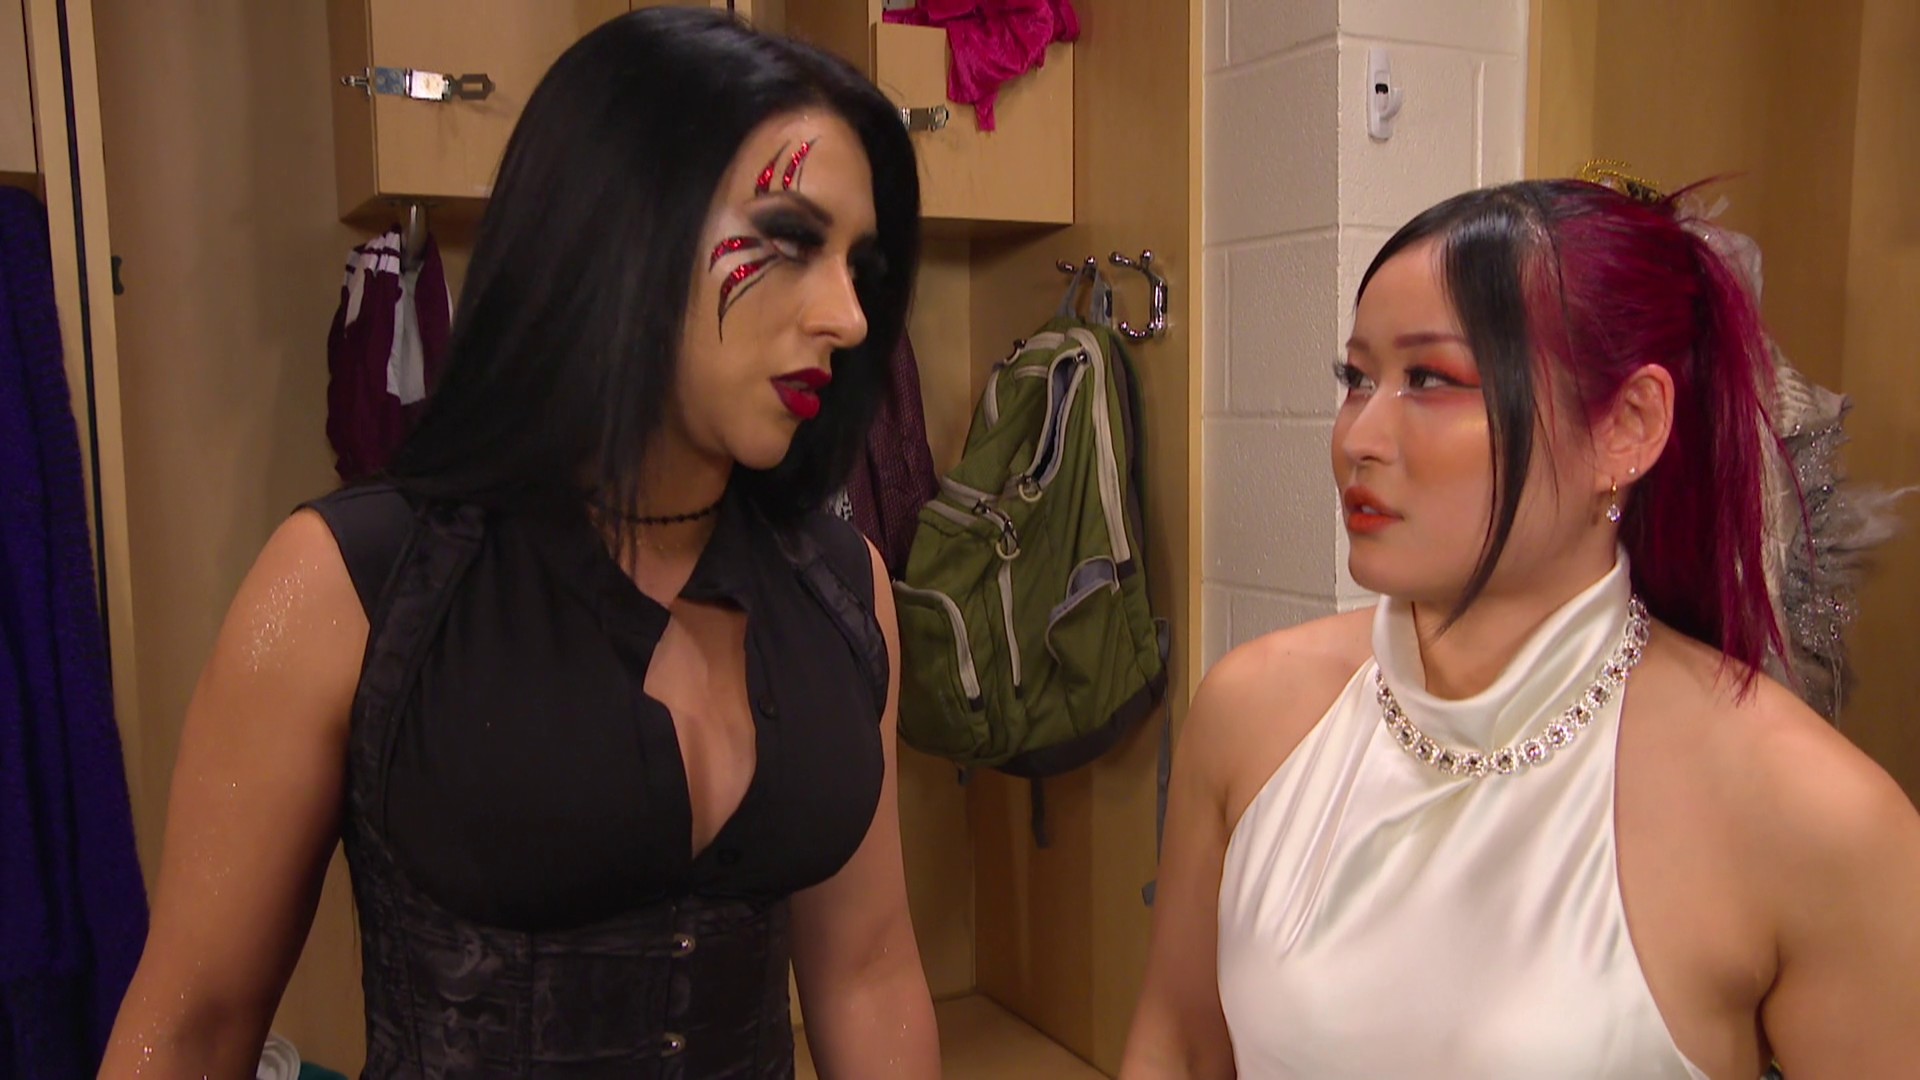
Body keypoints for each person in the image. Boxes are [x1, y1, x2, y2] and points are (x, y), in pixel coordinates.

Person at [99, 8, 941, 1078]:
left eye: (860, 264)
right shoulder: (354, 582)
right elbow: (195, 1027)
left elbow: (868, 972)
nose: (850, 317)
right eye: (789, 238)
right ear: (617, 222)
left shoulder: (844, 588)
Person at [1119, 179, 1920, 1078]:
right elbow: (1178, 1045)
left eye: (1431, 380)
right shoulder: (1253, 712)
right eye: (1357, 379)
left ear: (1627, 426)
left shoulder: (1813, 813)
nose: (1358, 438)